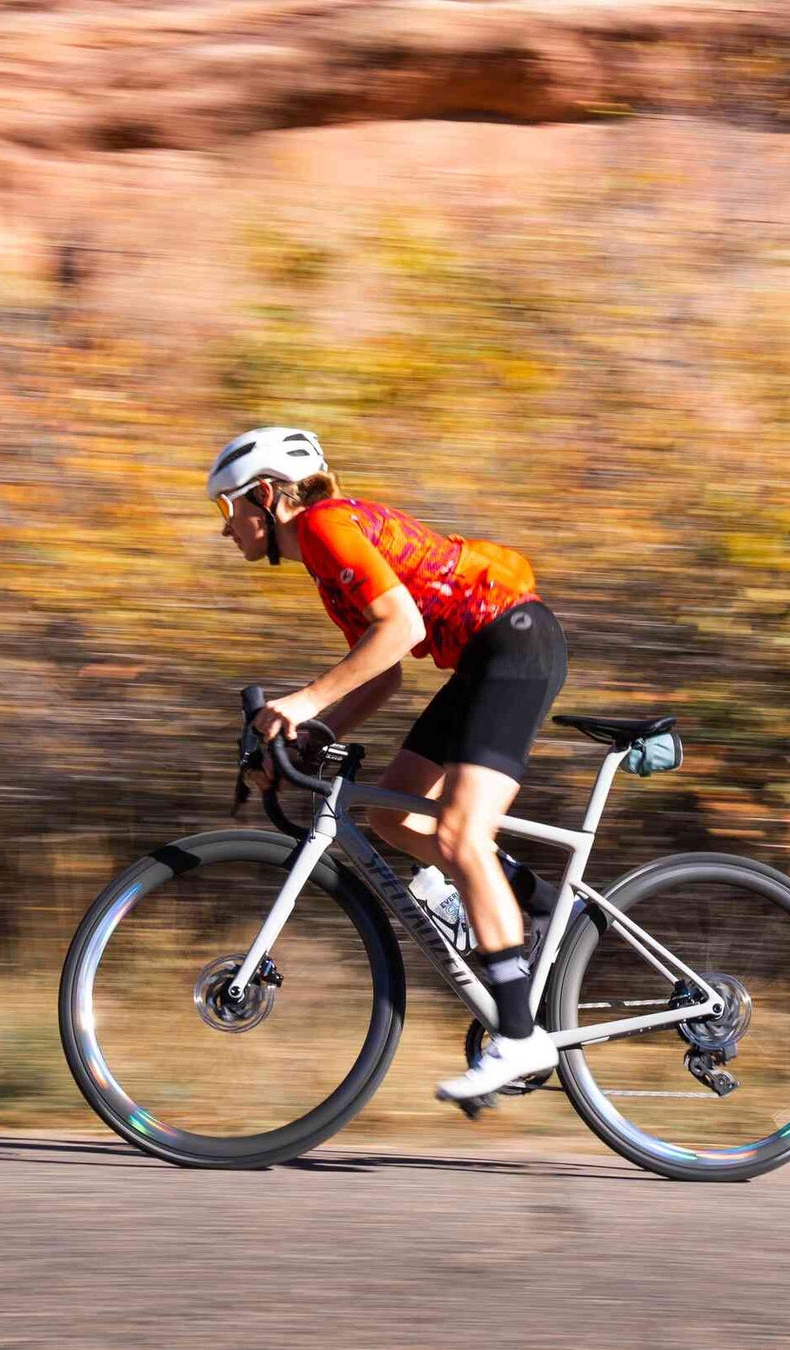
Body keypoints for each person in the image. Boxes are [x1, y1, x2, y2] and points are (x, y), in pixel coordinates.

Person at [210, 426, 568, 1102]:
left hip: (514, 645)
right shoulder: (324, 560)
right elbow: (381, 679)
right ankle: (535, 902)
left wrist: (304, 700)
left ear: (263, 496)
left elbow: (399, 631)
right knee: (389, 813)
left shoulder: (325, 525)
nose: (225, 530)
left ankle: (519, 1038)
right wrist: (306, 737)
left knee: (461, 837)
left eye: (225, 510)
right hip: (484, 659)